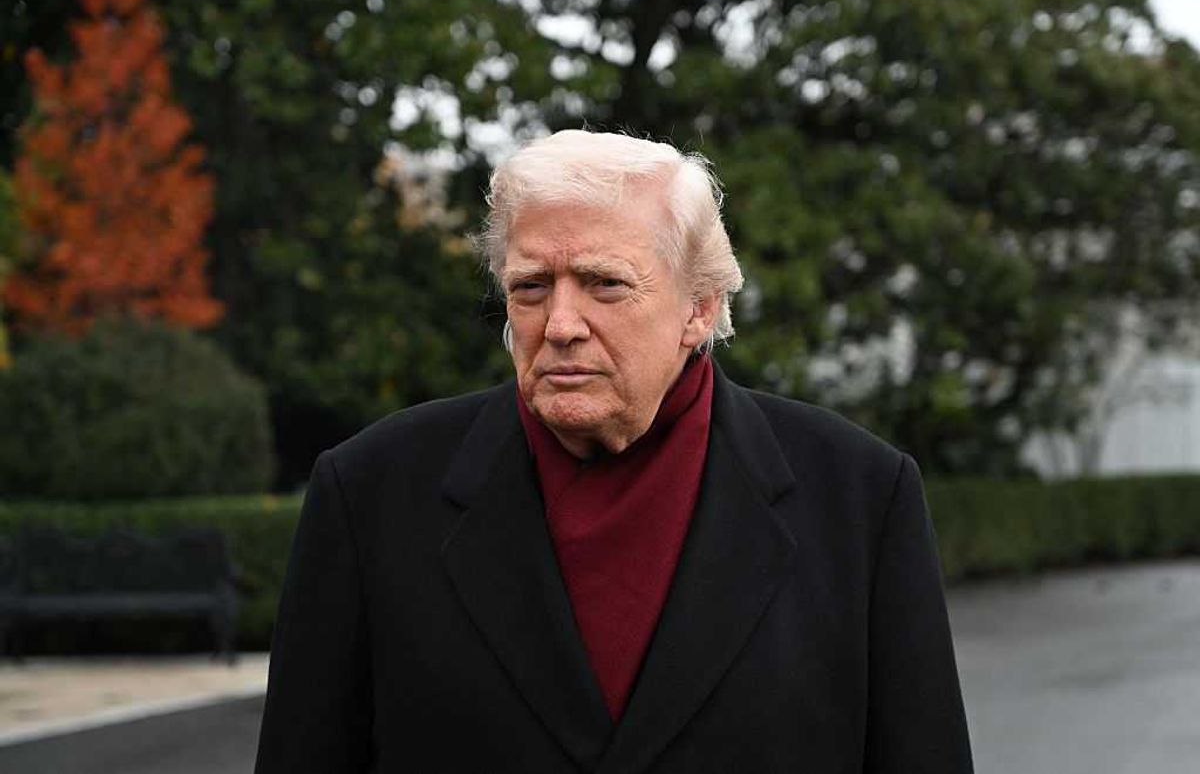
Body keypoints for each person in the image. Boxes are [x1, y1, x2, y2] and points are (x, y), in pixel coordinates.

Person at [254, 130, 974, 773]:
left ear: (700, 307)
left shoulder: (860, 496)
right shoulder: (372, 491)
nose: (561, 323)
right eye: (531, 286)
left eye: (604, 283)